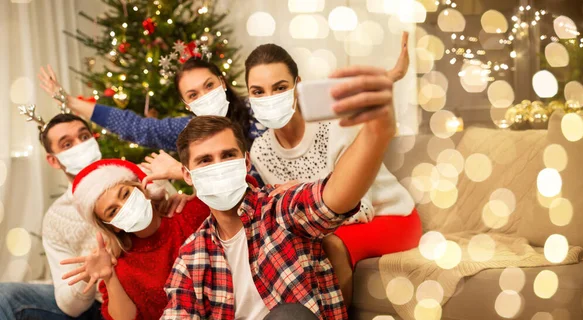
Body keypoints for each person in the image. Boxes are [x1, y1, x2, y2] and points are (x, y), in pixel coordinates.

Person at [53, 63, 397, 320]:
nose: (218, 167)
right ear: (186, 175)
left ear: (246, 163)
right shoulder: (194, 255)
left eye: (227, 155)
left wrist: (377, 129)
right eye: (204, 161)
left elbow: (336, 195)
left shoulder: (280, 209)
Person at [37, 32, 410, 160]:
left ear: (223, 81)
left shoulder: (261, 105)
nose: (204, 96)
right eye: (193, 94)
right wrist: (70, 101)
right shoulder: (188, 131)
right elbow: (135, 127)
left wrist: (388, 78)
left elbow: (327, 99)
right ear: (187, 103)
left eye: (209, 86)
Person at [245, 42, 422, 305]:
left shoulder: (336, 126)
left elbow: (360, 208)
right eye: (258, 91)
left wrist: (302, 195)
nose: (269, 98)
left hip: (391, 219)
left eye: (280, 88)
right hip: (325, 230)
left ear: (297, 86)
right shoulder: (260, 149)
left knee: (329, 246)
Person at [59, 158, 218, 320]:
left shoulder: (186, 213)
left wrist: (182, 173)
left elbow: (241, 188)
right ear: (112, 227)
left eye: (125, 194)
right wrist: (109, 277)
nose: (125, 207)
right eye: (112, 211)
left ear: (142, 189)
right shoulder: (121, 262)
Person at [0, 113, 122, 320]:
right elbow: (70, 305)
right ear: (53, 160)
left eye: (84, 136)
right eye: (67, 144)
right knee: (3, 294)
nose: (81, 145)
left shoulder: (133, 182)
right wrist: (89, 275)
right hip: (87, 307)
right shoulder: (57, 217)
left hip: (126, 312)